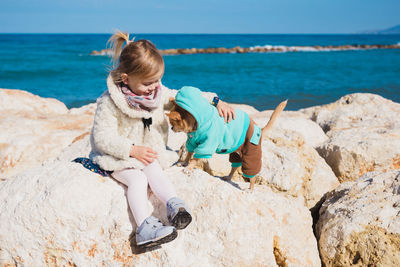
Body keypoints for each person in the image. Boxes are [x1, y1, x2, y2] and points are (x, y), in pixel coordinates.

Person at [89, 31, 235, 249]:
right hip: (116, 157)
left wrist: (214, 100)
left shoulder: (155, 92)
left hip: (146, 155)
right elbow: (102, 137)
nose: (154, 87)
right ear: (126, 79)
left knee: (154, 169)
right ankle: (144, 228)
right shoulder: (109, 102)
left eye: (158, 80)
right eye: (149, 82)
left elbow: (184, 100)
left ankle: (174, 205)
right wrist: (131, 149)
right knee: (138, 180)